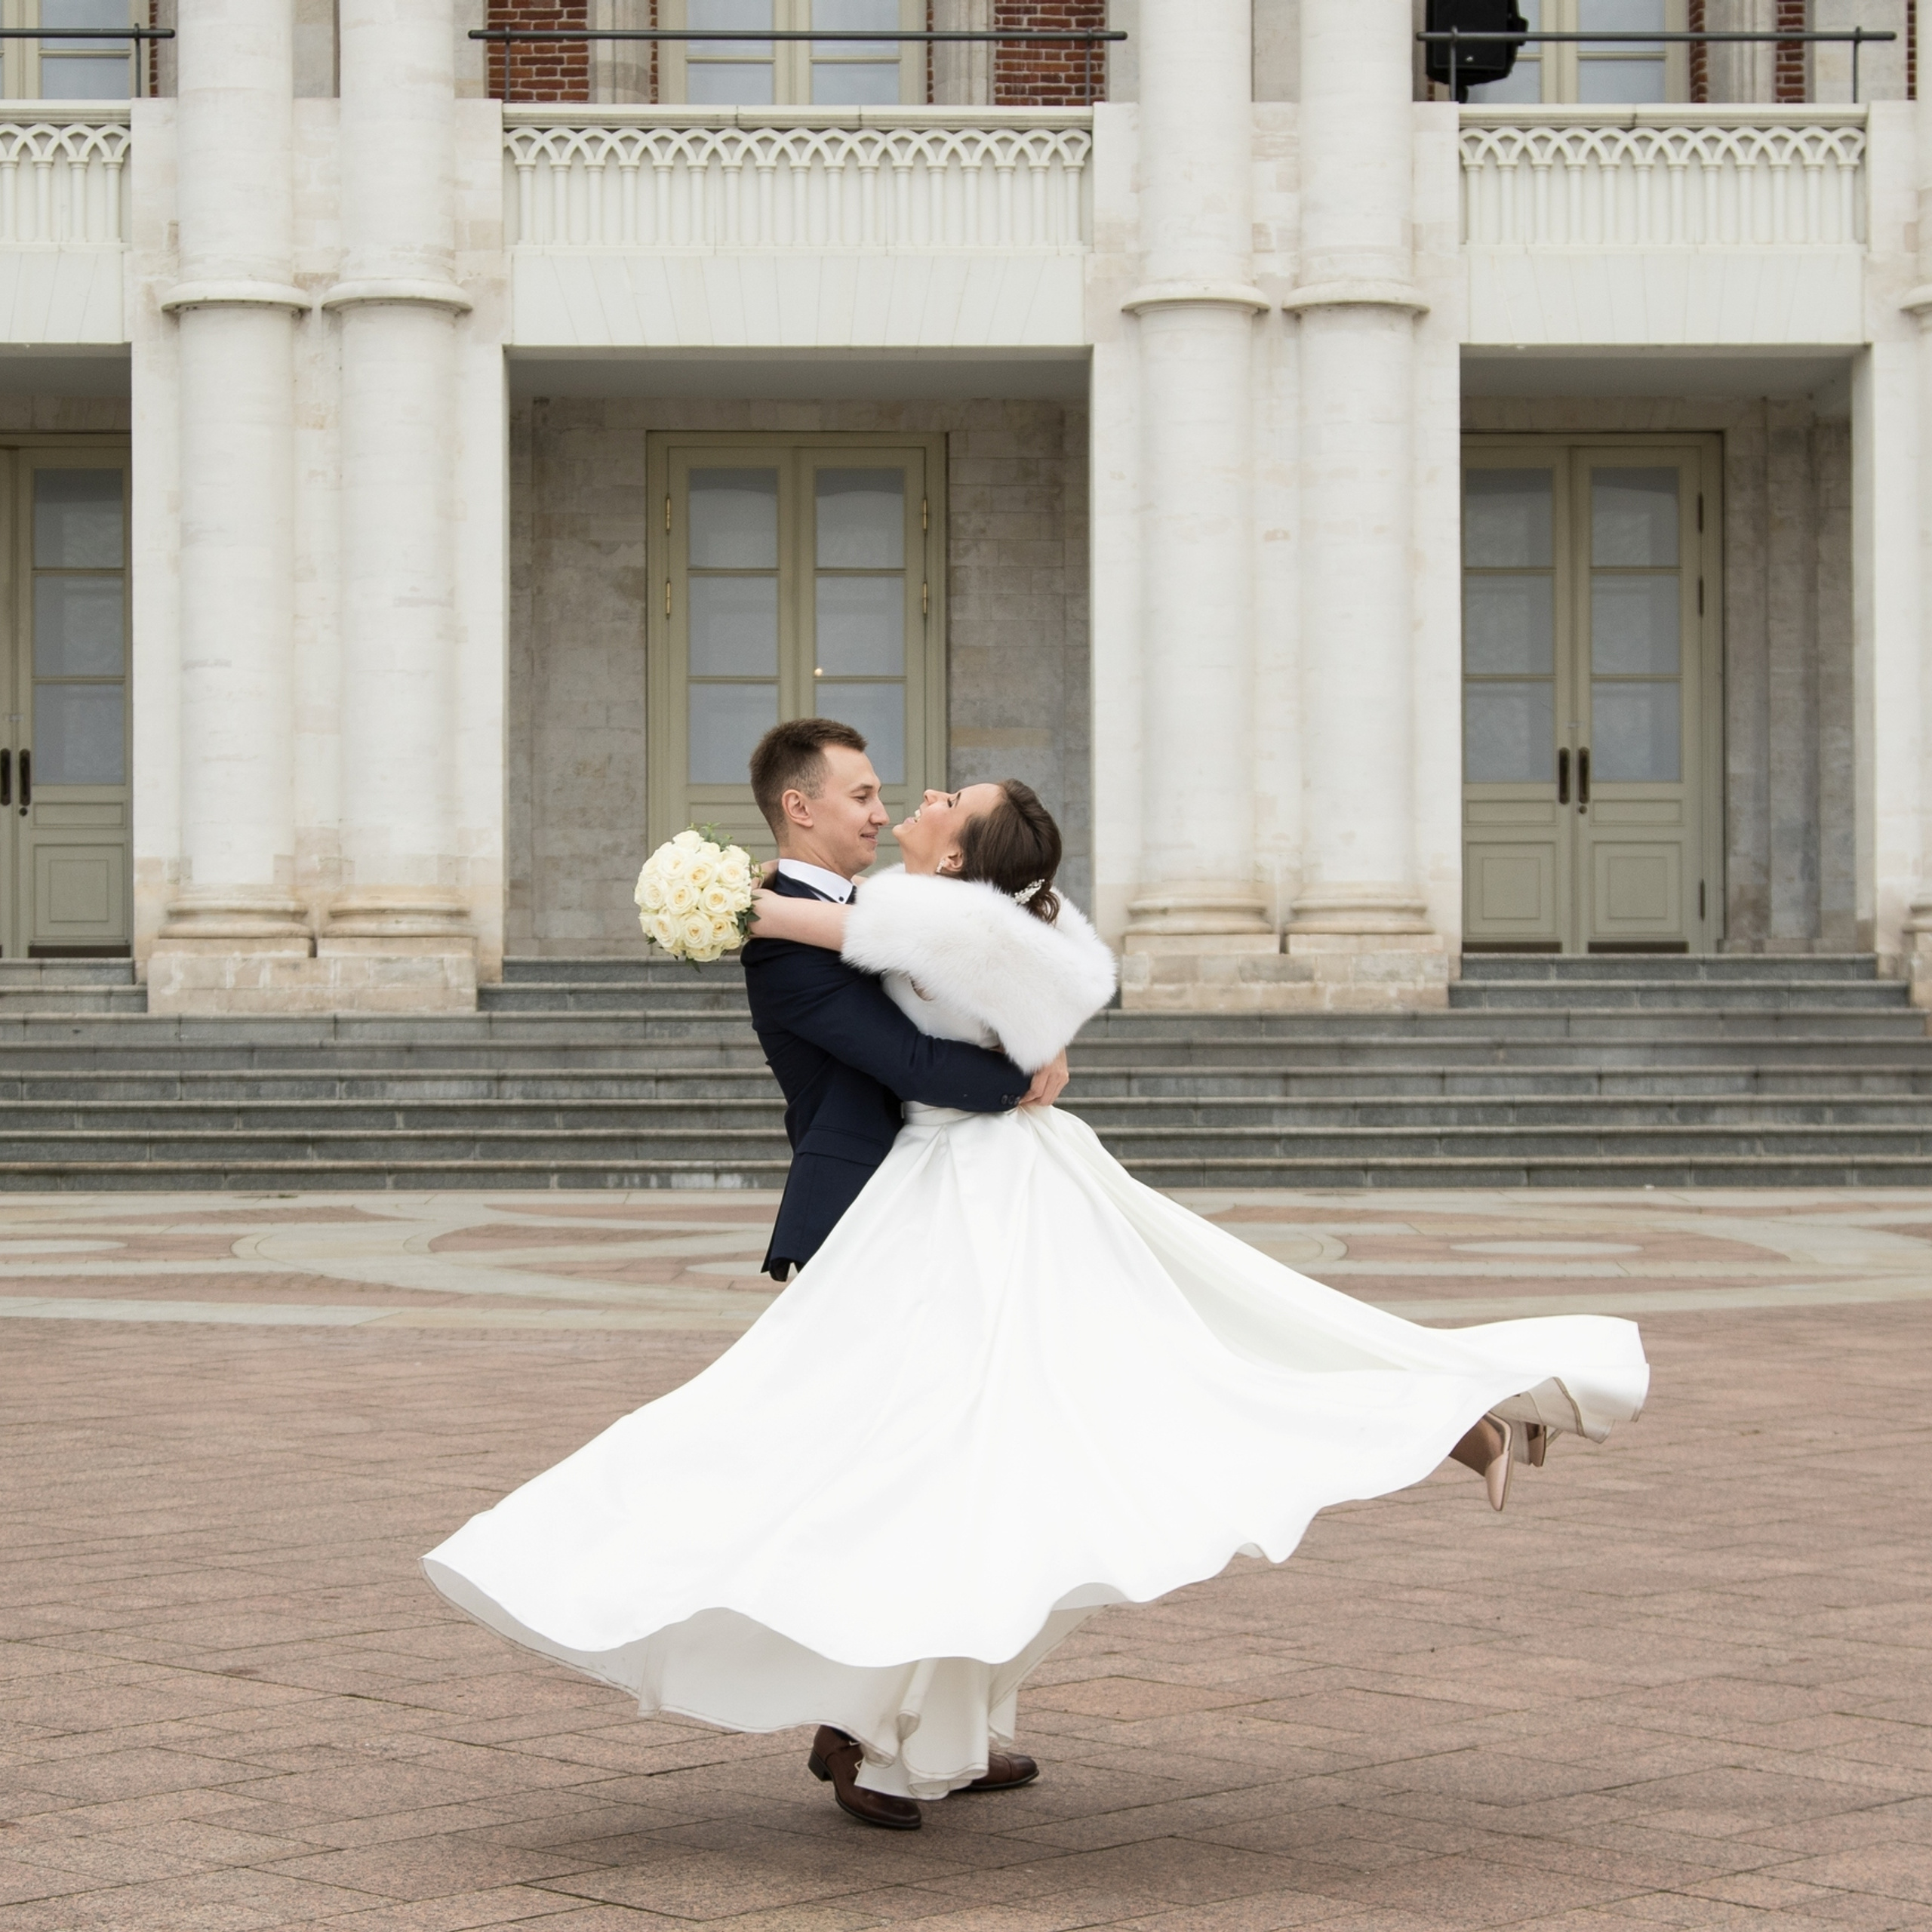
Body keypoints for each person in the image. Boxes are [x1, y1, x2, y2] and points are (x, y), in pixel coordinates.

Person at [423, 728, 1649, 1835]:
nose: (893, 802)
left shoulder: (897, 911)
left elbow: (936, 990)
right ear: (798, 810)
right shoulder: (858, 919)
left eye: (916, 800)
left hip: (971, 1203)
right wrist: (1005, 1055)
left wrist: (978, 1027)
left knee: (1051, 1433)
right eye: (864, 792)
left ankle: (901, 1734)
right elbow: (909, 1042)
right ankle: (907, 1731)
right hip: (902, 1207)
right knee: (988, 1447)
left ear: (957, 857)